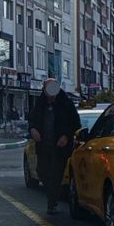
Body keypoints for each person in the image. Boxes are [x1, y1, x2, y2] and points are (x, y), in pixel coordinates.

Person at [28, 79, 81, 215]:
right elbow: (32, 120)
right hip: (44, 144)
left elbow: (75, 123)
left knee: (56, 174)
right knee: (41, 171)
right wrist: (33, 129)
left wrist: (66, 136)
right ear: (44, 90)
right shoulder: (40, 103)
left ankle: (52, 203)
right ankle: (52, 193)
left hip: (60, 147)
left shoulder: (66, 103)